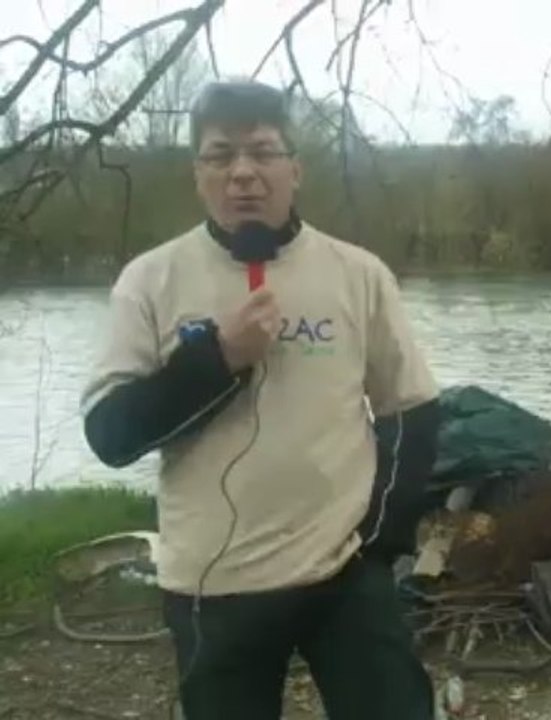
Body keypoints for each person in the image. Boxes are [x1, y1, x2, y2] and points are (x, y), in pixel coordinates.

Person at [80, 80, 441, 719]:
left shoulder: (357, 274)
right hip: (213, 582)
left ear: (295, 169)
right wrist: (216, 360)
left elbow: (409, 411)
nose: (243, 172)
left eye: (263, 151)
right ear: (198, 174)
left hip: (343, 570)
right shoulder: (151, 279)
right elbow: (111, 436)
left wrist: (381, 541)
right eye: (220, 155)